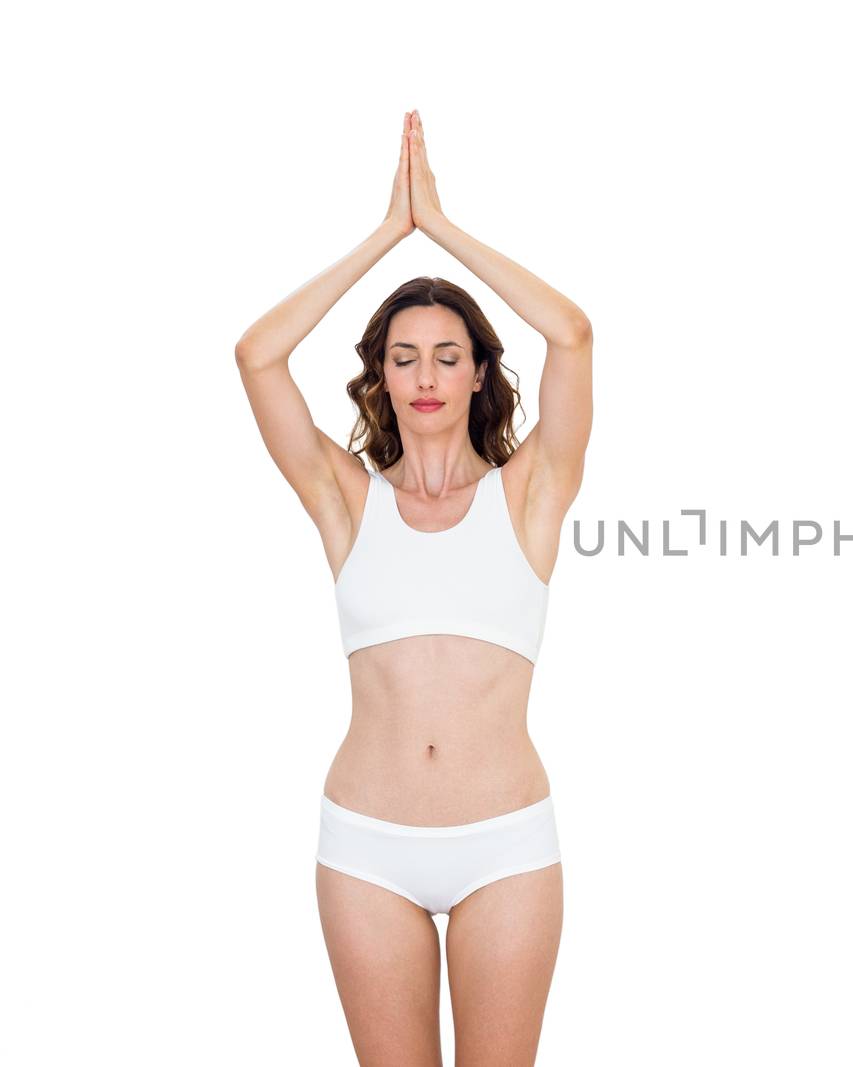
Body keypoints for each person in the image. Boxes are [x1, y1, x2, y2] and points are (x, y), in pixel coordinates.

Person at [235, 110, 591, 1064]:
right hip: (366, 847)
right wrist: (386, 236)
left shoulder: (532, 494)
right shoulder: (346, 502)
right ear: (380, 379)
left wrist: (442, 228)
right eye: (403, 357)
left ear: (480, 373)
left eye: (447, 355)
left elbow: (573, 332)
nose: (425, 374)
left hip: (506, 846)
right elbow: (256, 356)